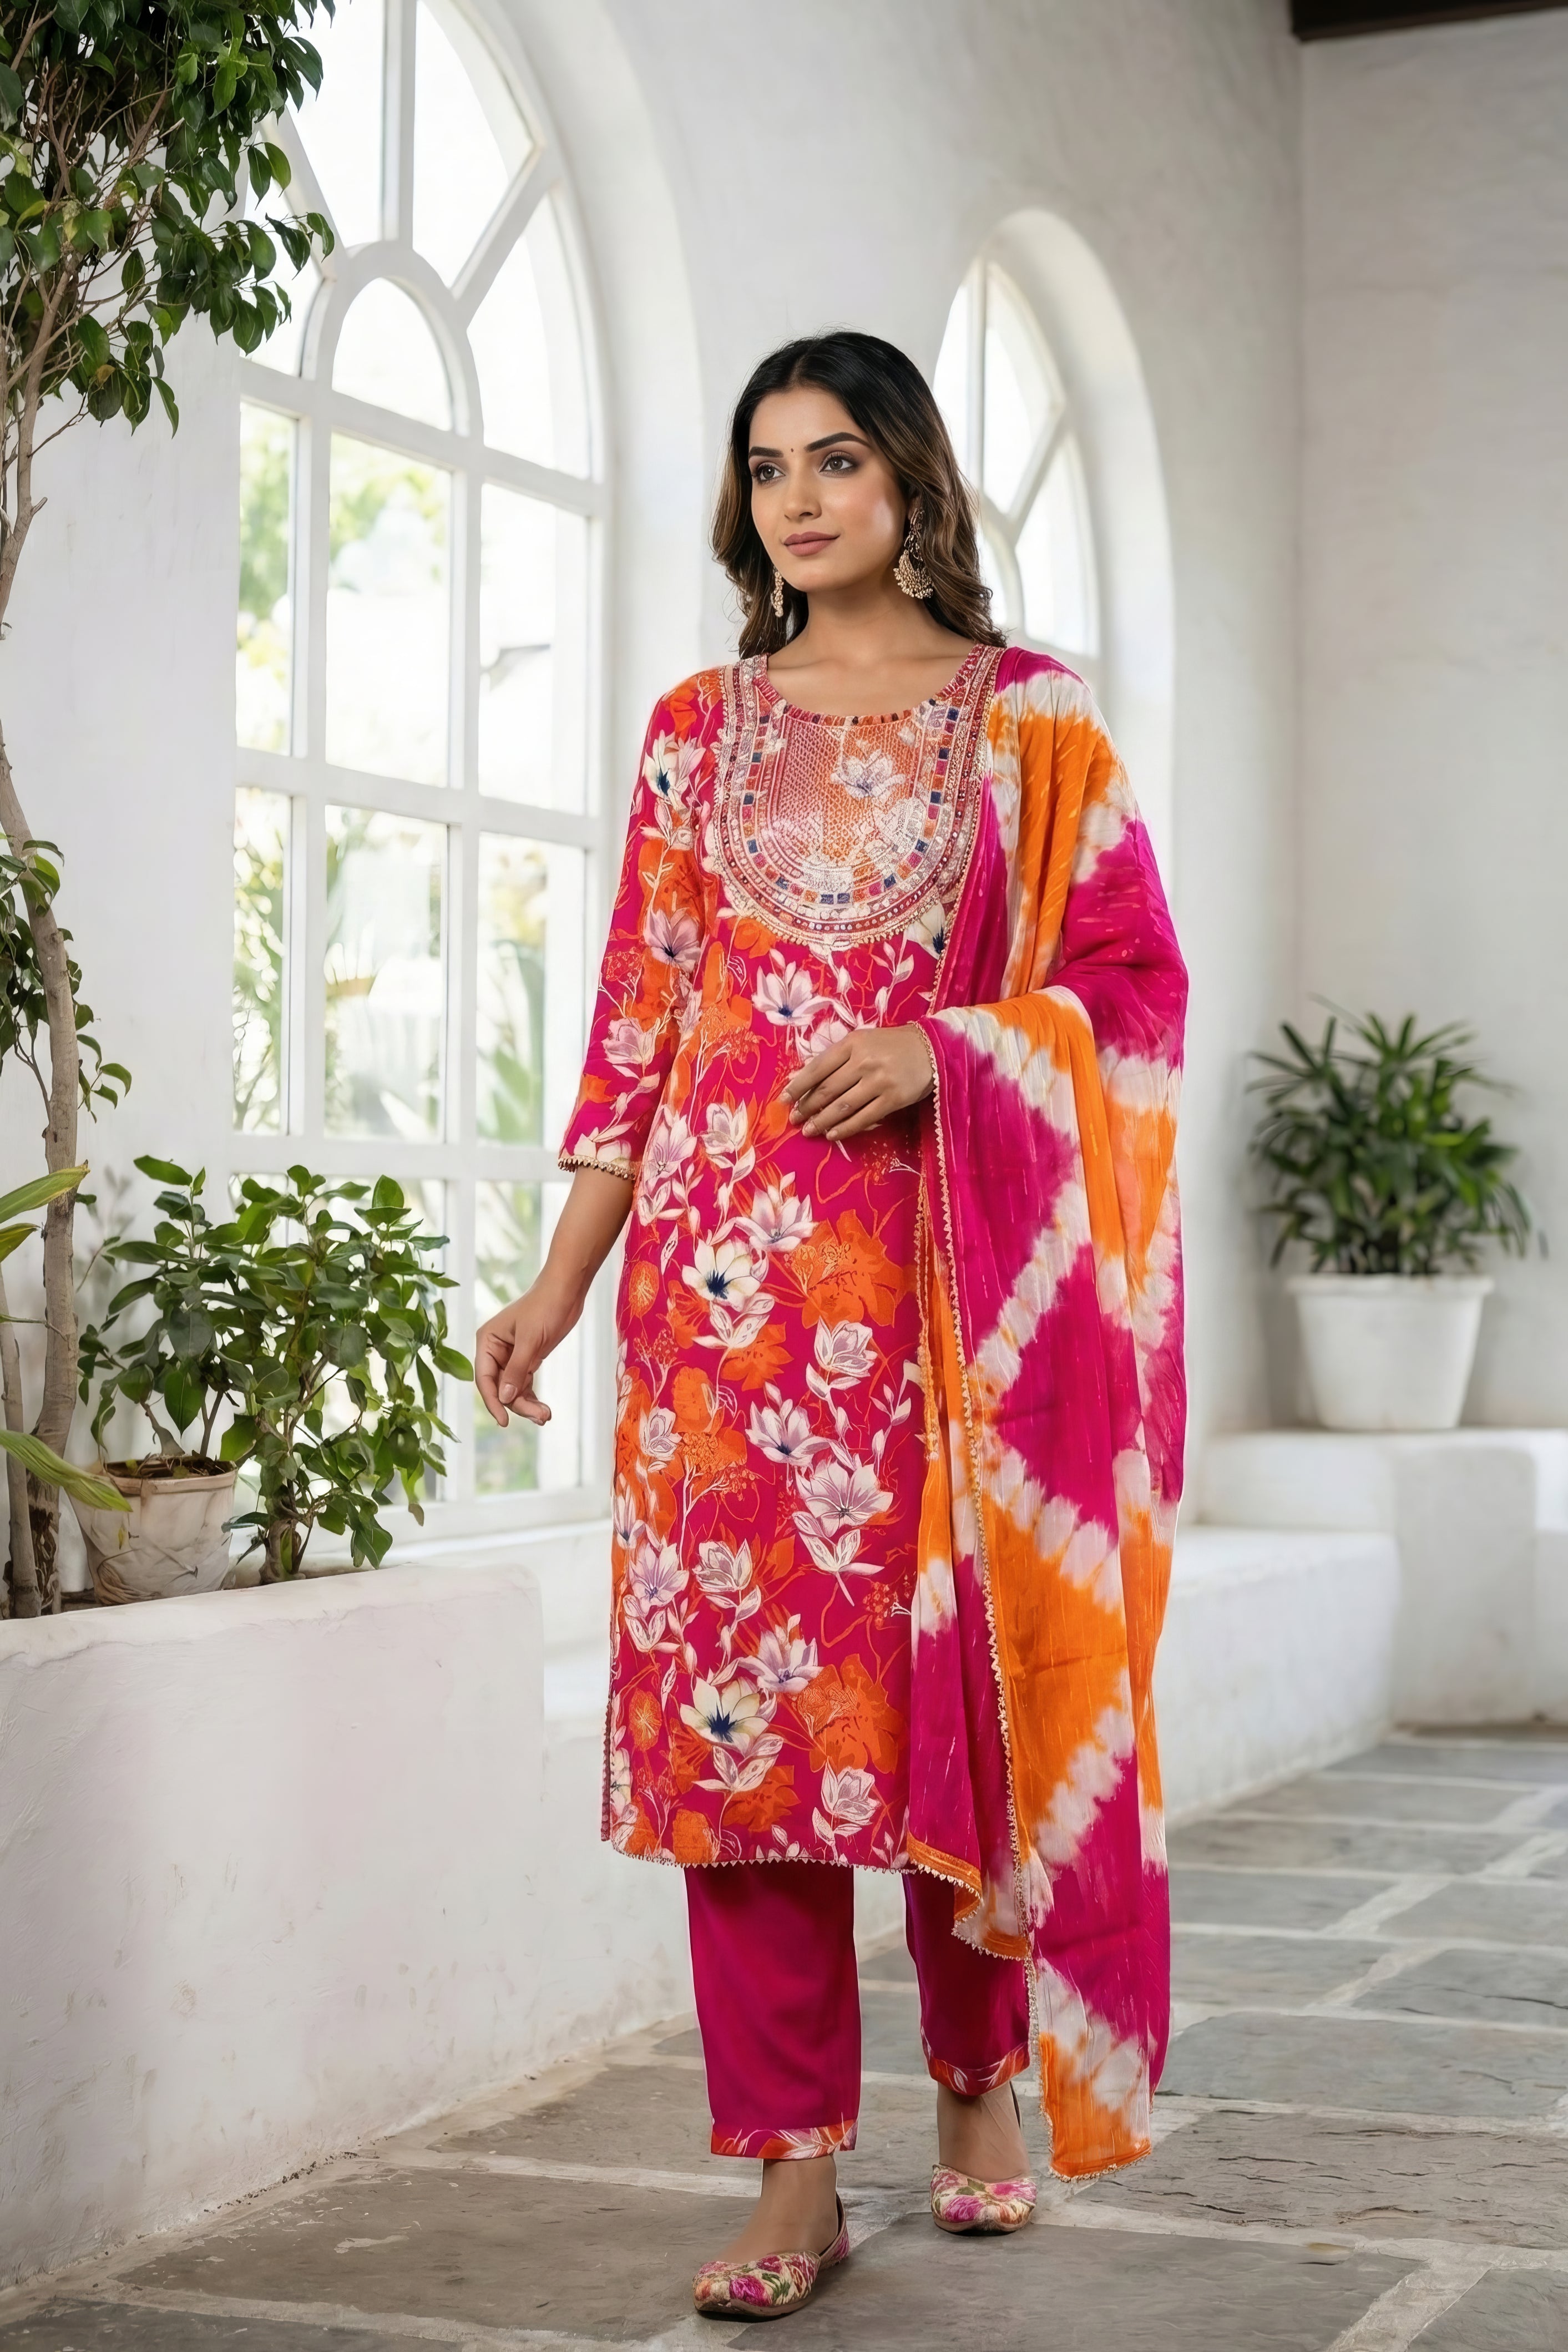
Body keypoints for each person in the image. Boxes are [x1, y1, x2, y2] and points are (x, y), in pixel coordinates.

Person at [475, 329, 1187, 2322]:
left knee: (962, 1703)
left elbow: (1134, 988)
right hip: (722, 1318)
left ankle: (974, 2085)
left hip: (951, 1312)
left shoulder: (1032, 723)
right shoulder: (694, 730)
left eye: (837, 460)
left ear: (910, 482)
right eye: (769, 465)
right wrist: (559, 1284)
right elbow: (637, 1027)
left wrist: (949, 1050)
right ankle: (791, 2170)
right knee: (749, 1743)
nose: (798, 497)